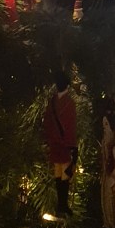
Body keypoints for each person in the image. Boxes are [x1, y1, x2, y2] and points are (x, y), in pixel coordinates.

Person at [42, 71, 77, 217]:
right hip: (65, 143)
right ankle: (63, 204)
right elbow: (71, 125)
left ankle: (60, 205)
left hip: (55, 142)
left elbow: (47, 122)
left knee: (58, 172)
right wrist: (73, 145)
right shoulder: (69, 103)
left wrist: (49, 138)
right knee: (65, 173)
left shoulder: (52, 101)